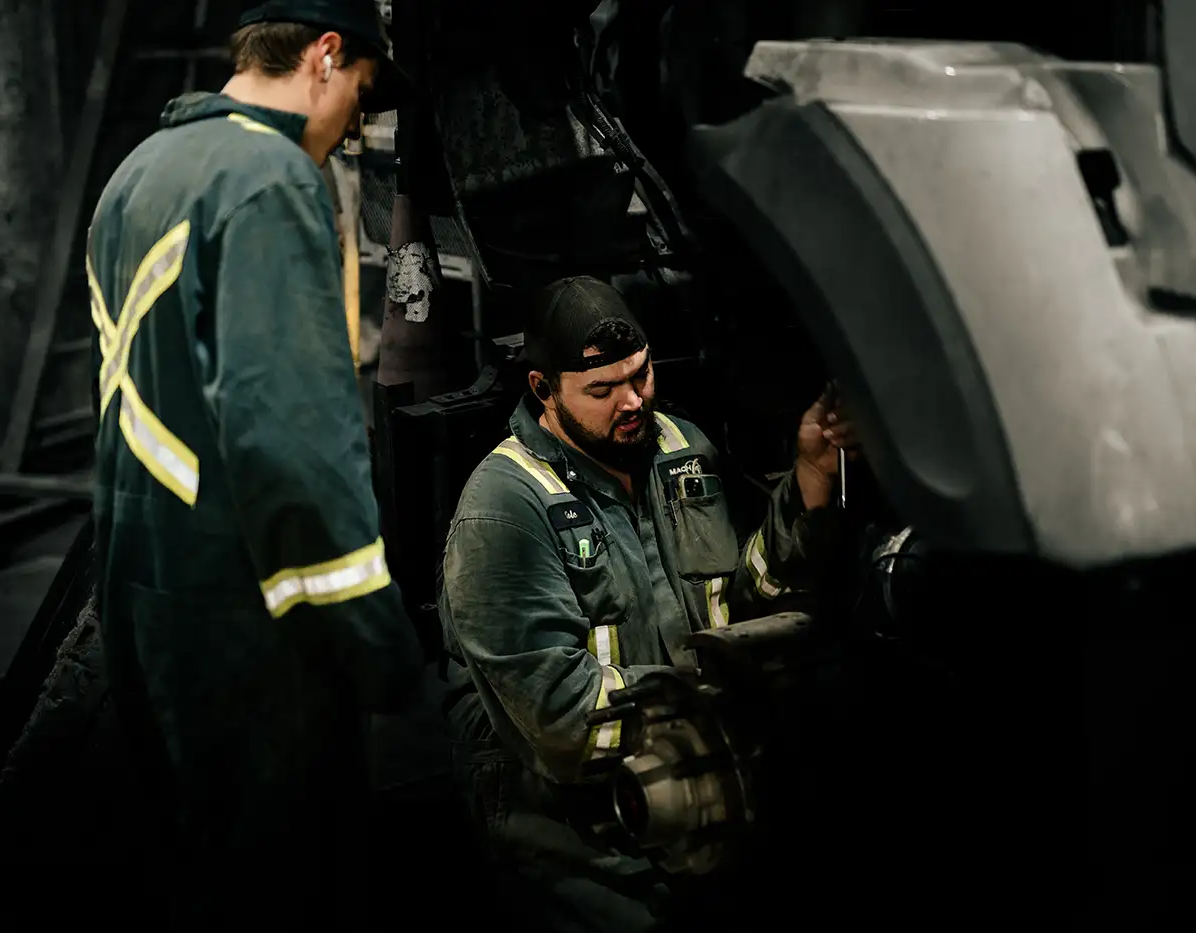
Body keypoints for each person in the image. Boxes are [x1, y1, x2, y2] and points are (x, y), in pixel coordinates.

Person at [85, 2, 420, 927]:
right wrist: (383, 652)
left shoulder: (136, 173)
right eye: (360, 92)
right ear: (325, 55)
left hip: (146, 600)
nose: (355, 122)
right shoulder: (270, 178)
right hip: (254, 626)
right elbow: (291, 442)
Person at [438, 275, 856, 931]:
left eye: (642, 374)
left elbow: (747, 598)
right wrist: (719, 694)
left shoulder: (680, 450)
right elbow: (560, 718)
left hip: (694, 785)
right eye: (602, 391)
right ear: (544, 391)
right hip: (568, 822)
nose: (633, 401)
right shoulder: (505, 512)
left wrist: (809, 482)